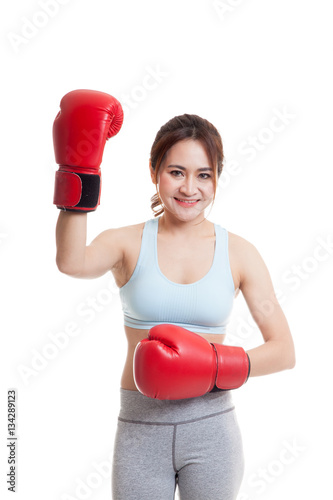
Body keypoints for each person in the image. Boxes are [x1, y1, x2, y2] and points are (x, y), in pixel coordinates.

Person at [54, 89, 296, 500]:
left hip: (212, 428)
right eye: (176, 172)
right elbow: (71, 261)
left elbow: (284, 350)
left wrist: (214, 365)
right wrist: (79, 171)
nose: (190, 188)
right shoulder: (127, 243)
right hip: (140, 427)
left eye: (204, 174)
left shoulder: (239, 252)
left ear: (217, 177)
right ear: (154, 172)